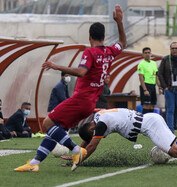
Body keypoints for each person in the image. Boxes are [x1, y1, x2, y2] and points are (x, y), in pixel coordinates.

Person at [14, 4, 126, 172]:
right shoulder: (110, 51)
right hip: (89, 103)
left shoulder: (90, 52)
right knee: (57, 128)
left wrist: (56, 66)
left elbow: (81, 72)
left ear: (89, 36)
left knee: (47, 123)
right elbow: (123, 42)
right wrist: (119, 22)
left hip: (81, 99)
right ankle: (35, 163)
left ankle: (76, 150)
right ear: (104, 36)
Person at [77, 108, 177, 166]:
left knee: (174, 152)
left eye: (93, 133)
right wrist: (77, 152)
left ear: (91, 127)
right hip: (149, 121)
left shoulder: (101, 124)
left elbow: (92, 146)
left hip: (149, 125)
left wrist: (77, 161)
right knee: (175, 147)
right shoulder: (98, 117)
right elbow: (88, 139)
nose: (95, 135)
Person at [137, 47, 161, 114]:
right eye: (145, 53)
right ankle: (145, 122)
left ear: (151, 54)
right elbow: (141, 78)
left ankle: (151, 122)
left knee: (152, 105)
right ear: (143, 54)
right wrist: (145, 90)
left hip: (153, 86)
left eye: (148, 53)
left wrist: (159, 87)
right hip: (146, 85)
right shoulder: (141, 64)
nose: (147, 54)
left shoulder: (153, 63)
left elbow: (156, 76)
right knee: (146, 105)